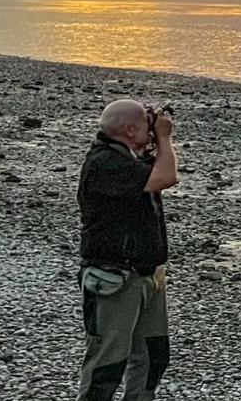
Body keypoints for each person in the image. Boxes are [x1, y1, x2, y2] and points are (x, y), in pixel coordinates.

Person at [77, 99, 179, 401]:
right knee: (107, 365)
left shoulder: (128, 159)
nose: (151, 132)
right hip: (114, 279)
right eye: (146, 126)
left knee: (152, 358)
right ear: (129, 129)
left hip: (146, 276)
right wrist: (164, 137)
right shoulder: (104, 164)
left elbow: (158, 170)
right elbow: (166, 176)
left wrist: (155, 139)